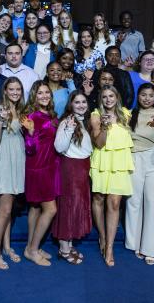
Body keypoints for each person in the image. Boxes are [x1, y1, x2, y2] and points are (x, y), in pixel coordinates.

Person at [125, 83, 154, 265]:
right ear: (138, 96)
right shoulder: (129, 114)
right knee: (133, 201)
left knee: (152, 202)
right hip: (133, 158)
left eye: (150, 95)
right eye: (143, 95)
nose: (147, 98)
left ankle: (151, 247)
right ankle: (134, 243)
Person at [90, 85, 133, 267]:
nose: (108, 99)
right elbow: (99, 144)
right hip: (102, 161)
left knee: (114, 203)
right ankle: (102, 235)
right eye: (105, 96)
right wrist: (105, 127)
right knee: (99, 199)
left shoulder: (125, 114)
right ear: (101, 99)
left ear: (117, 97)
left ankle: (109, 247)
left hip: (120, 162)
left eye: (111, 96)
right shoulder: (95, 115)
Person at [0, 78, 26, 269]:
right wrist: (1, 120)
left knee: (8, 210)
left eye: (18, 89)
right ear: (5, 90)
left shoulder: (22, 111)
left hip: (16, 162)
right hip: (3, 163)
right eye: (12, 89)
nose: (15, 92)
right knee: (4, 210)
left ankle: (7, 247)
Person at [21, 81, 60, 266]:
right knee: (50, 209)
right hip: (38, 167)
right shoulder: (32, 116)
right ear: (34, 96)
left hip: (51, 166)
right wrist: (30, 132)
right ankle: (33, 249)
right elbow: (30, 149)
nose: (44, 96)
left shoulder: (51, 115)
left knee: (36, 208)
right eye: (40, 93)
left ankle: (30, 246)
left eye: (47, 92)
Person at [52, 91, 93, 265]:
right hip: (71, 168)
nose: (81, 105)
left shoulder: (85, 121)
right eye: (77, 102)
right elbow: (59, 146)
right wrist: (68, 129)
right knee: (68, 206)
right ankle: (63, 248)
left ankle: (68, 244)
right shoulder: (67, 121)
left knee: (76, 206)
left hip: (82, 168)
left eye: (84, 102)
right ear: (71, 104)